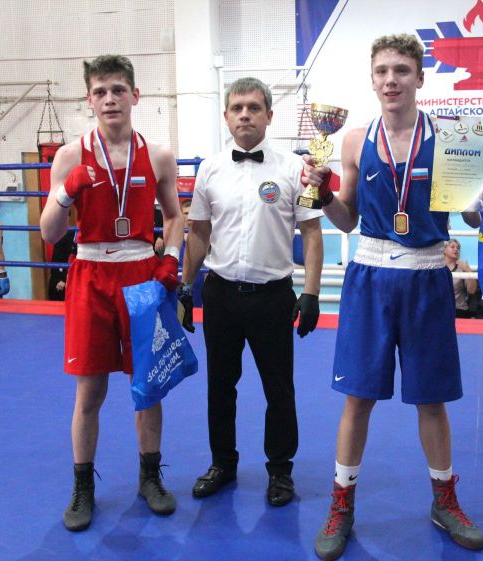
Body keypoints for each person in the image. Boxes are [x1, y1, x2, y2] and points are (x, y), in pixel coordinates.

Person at [302, 34, 483, 559]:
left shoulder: (452, 137)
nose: (391, 80)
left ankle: (445, 501)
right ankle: (341, 504)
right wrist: (323, 194)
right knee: (358, 397)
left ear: (420, 77)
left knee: (431, 398)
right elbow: (346, 219)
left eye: (401, 70)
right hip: (371, 277)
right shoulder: (354, 141)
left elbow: (470, 217)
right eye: (382, 71)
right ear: (372, 79)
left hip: (426, 278)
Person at [39, 54, 184, 532]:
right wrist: (66, 193)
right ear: (89, 99)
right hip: (90, 272)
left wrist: (172, 257)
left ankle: (150, 477)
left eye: (118, 89)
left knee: (148, 384)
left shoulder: (158, 155)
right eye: (100, 91)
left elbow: (175, 216)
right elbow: (49, 232)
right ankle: (82, 486)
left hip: (141, 273)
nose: (110, 99)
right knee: (90, 389)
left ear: (134, 95)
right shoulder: (70, 156)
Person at [179, 77, 324, 507]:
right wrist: (185, 287)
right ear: (226, 116)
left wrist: (311, 293)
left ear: (269, 116)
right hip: (220, 294)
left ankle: (280, 471)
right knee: (220, 386)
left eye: (254, 107)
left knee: (279, 388)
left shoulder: (294, 169)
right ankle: (222, 463)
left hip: (273, 297)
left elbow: (311, 233)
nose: (245, 115)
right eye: (237, 108)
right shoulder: (210, 168)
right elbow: (198, 232)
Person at [443, 238, 477, 318]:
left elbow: (472, 291)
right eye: (452, 247)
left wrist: (468, 270)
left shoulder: (462, 268)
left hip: (459, 309)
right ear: (444, 250)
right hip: (441, 309)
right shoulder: (438, 267)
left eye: (458, 248)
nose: (456, 249)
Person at [48, 230, 77, 301]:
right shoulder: (63, 237)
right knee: (56, 286)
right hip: (62, 275)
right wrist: (63, 279)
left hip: (76, 277)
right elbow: (56, 262)